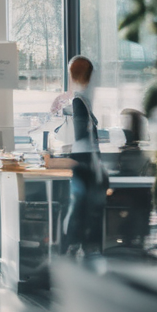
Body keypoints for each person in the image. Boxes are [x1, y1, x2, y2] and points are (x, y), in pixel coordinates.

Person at [60, 55, 107, 259]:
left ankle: (77, 246)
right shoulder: (79, 101)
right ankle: (78, 247)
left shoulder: (80, 100)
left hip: (84, 159)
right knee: (83, 206)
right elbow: (82, 135)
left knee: (81, 205)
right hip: (85, 160)